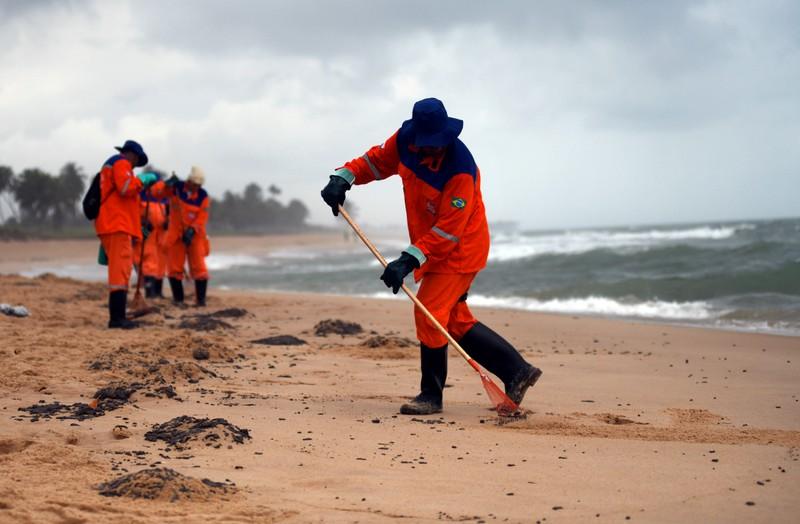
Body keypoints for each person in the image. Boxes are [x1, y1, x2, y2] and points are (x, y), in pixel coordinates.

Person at [321, 98, 542, 415]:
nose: (432, 150)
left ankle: (431, 396)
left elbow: (449, 232)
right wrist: (344, 177)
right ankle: (517, 372)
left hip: (461, 249)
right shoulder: (404, 142)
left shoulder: (460, 171)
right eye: (427, 145)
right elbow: (375, 162)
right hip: (434, 245)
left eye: (437, 144)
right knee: (452, 320)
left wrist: (407, 261)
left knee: (429, 315)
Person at [94, 140, 158, 328]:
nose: (135, 166)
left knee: (120, 271)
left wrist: (139, 228)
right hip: (116, 225)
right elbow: (125, 188)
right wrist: (142, 181)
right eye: (136, 161)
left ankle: (118, 316)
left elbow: (126, 202)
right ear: (131, 154)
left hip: (115, 225)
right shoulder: (120, 163)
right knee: (120, 273)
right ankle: (116, 319)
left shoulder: (111, 165)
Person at [163, 166, 210, 307]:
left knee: (199, 268)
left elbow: (202, 216)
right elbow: (159, 193)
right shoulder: (176, 188)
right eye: (195, 184)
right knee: (174, 268)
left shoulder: (203, 196)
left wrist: (192, 230)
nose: (197, 188)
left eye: (199, 185)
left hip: (195, 236)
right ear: (189, 181)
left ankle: (201, 301)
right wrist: (166, 184)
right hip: (176, 236)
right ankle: (178, 300)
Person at [132, 186, 169, 298]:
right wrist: (143, 222)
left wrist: (167, 221)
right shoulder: (139, 196)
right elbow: (133, 214)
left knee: (159, 266)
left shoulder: (163, 200)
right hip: (145, 237)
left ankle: (157, 291)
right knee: (146, 265)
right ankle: (150, 292)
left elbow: (168, 215)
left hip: (160, 238)